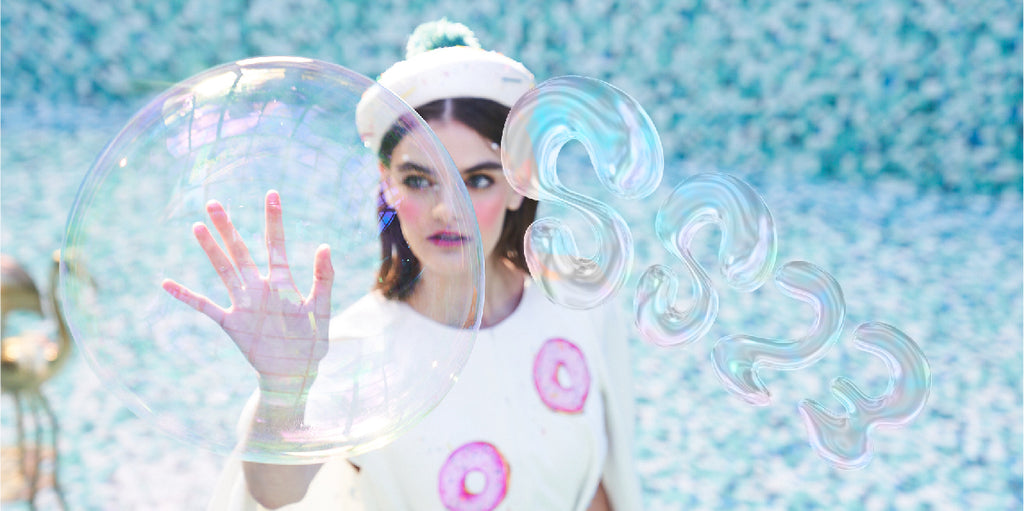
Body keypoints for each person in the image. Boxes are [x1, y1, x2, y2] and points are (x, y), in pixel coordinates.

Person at [165, 19, 642, 511]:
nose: (445, 210)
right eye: (419, 180)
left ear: (518, 182)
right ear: (386, 181)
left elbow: (603, 481)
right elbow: (272, 492)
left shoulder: (576, 306)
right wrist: (283, 392)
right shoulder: (358, 351)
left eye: (477, 181)